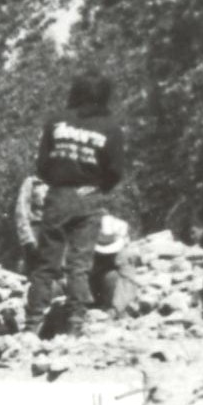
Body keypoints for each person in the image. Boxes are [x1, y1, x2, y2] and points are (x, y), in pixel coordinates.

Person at [32, 74, 129, 329]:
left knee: (46, 264)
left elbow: (41, 166)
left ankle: (32, 323)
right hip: (89, 196)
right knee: (80, 264)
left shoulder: (55, 121)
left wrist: (58, 182)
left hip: (57, 195)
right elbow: (116, 170)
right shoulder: (110, 127)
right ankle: (76, 321)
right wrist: (97, 187)